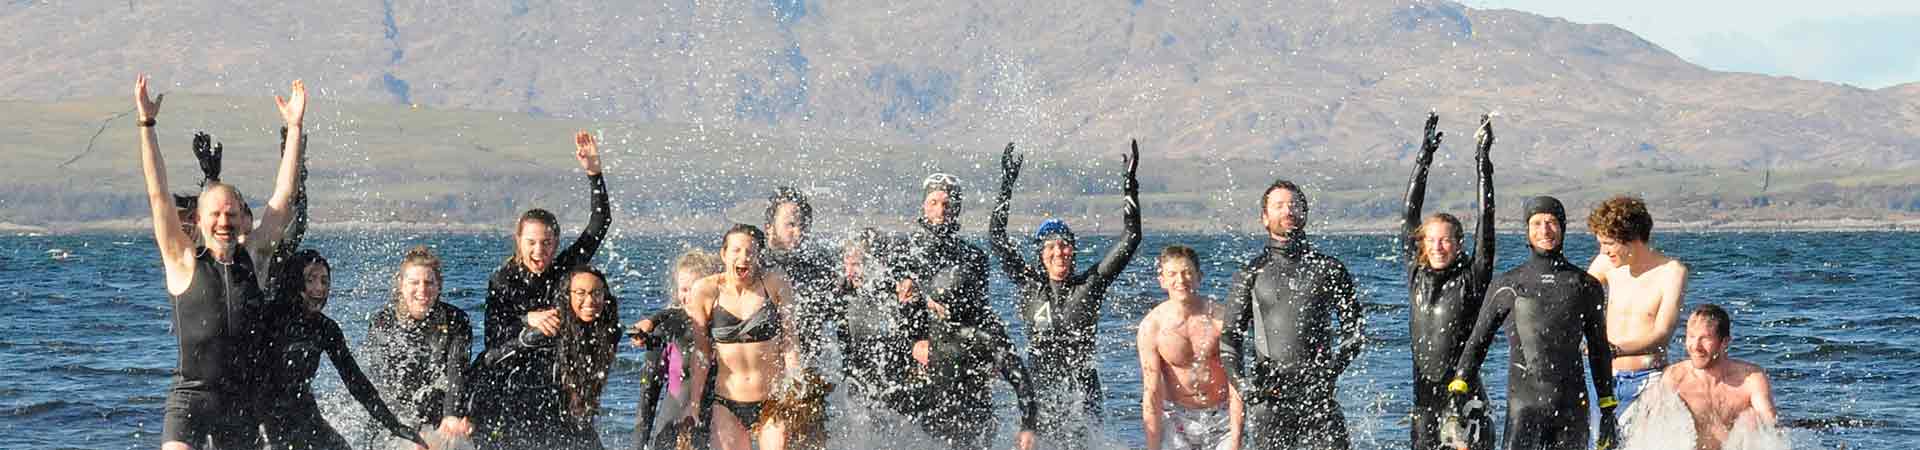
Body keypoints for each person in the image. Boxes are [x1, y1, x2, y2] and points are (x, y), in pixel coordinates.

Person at [136, 74, 307, 450]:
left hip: (242, 403)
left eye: (231, 214)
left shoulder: (256, 258)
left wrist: (293, 128)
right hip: (191, 399)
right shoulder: (181, 260)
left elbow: (283, 196)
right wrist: (147, 125)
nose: (224, 221)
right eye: (215, 214)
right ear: (198, 220)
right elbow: (158, 194)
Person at [987, 141, 1143, 448]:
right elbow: (996, 237)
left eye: (1065, 245)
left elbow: (1131, 238)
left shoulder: (1091, 284)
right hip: (1039, 393)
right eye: (1050, 246)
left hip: (1082, 392)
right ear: (1040, 254)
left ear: (1073, 250)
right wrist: (1007, 184)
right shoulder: (1028, 284)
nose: (1059, 251)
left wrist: (1130, 185)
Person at [469, 130, 612, 445]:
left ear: (556, 243)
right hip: (513, 383)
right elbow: (493, 339)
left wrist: (594, 173)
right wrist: (527, 319)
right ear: (518, 241)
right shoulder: (502, 280)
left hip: (559, 381)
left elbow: (600, 223)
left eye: (547, 243)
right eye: (531, 242)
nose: (539, 251)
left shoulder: (564, 269)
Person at [1448, 196, 1620, 450]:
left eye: (1551, 222)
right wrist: (1457, 391)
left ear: (1562, 228)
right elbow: (1477, 343)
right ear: (1527, 231)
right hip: (1524, 408)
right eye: (1536, 223)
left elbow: (1598, 349)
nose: (1545, 230)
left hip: (1572, 408)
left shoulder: (1585, 286)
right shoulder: (1506, 285)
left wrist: (1607, 409)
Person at [887, 173, 1040, 450]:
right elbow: (892, 304)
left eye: (947, 204)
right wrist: (913, 341)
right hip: (927, 350)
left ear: (956, 209)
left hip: (964, 353)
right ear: (923, 206)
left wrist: (989, 351)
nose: (940, 210)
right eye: (933, 202)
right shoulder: (905, 251)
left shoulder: (973, 257)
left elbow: (979, 306)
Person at [1218, 179, 1365, 450]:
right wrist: (1244, 387)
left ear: (1305, 214)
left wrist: (1331, 371)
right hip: (1269, 400)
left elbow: (1354, 333)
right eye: (1279, 205)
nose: (1288, 211)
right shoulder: (1251, 274)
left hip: (1318, 398)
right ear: (1265, 218)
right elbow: (1229, 341)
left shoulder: (1330, 269)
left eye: (1294, 204)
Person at [257, 250, 428, 450]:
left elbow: (355, 381)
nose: (319, 289)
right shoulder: (266, 319)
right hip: (264, 417)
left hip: (304, 413)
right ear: (293, 281)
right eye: (310, 280)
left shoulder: (325, 328)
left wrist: (393, 424)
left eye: (324, 281)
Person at [1400, 114, 1497, 450]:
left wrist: (1482, 163)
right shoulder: (1416, 274)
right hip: (1424, 406)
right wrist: (1423, 158)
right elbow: (1409, 213)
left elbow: (1487, 218)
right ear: (1422, 244)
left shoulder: (1473, 276)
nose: (1438, 246)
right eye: (1432, 240)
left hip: (1466, 402)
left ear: (1458, 244)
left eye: (1446, 240)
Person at [685, 225, 800, 450]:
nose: (743, 257)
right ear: (723, 254)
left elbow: (790, 340)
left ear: (759, 256)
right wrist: (694, 402)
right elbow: (702, 353)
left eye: (750, 252)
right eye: (736, 250)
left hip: (772, 400)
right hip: (727, 403)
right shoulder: (706, 290)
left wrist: (796, 382)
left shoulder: (775, 283)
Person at [1586, 195, 1690, 419]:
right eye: (1600, 244)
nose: (1604, 251)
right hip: (1603, 378)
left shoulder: (1672, 272)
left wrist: (1614, 350)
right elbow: (1572, 301)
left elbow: (1662, 335)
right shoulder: (1606, 264)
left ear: (1633, 238)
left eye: (1609, 244)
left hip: (1649, 381)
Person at [366, 246, 476, 448]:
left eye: (429, 282)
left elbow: (456, 371)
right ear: (401, 285)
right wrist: (412, 434)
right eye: (414, 283)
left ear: (439, 285)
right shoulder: (382, 322)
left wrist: (452, 414)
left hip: (438, 415)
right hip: (393, 420)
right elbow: (385, 383)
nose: (422, 290)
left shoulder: (456, 321)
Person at [1136, 246, 1241, 450]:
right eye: (1172, 274)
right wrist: (1152, 447)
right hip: (1177, 419)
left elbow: (1236, 383)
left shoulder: (1221, 320)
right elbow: (1152, 392)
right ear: (1162, 281)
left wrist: (1237, 438)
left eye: (1187, 273)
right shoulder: (1152, 327)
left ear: (1199, 277)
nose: (1180, 280)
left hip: (1222, 416)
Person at [759, 187, 836, 450]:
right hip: (761, 379)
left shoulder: (820, 269)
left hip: (807, 377)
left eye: (803, 225)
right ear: (769, 227)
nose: (798, 232)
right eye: (790, 224)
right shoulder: (755, 268)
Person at [822, 229, 929, 412]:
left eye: (856, 265)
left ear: (877, 262)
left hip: (896, 384)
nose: (849, 272)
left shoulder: (898, 294)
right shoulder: (839, 295)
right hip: (856, 384)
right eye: (845, 265)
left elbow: (918, 336)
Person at [630, 250, 721, 450]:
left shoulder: (723, 327)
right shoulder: (666, 328)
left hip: (714, 421)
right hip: (673, 418)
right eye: (683, 289)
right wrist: (638, 445)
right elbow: (648, 393)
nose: (687, 297)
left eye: (693, 289)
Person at [1661, 305, 1778, 450]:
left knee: (1751, 418)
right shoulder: (1675, 377)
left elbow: (1772, 430)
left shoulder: (1751, 379)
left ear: (1724, 342)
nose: (1695, 346)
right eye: (1691, 336)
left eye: (1705, 338)